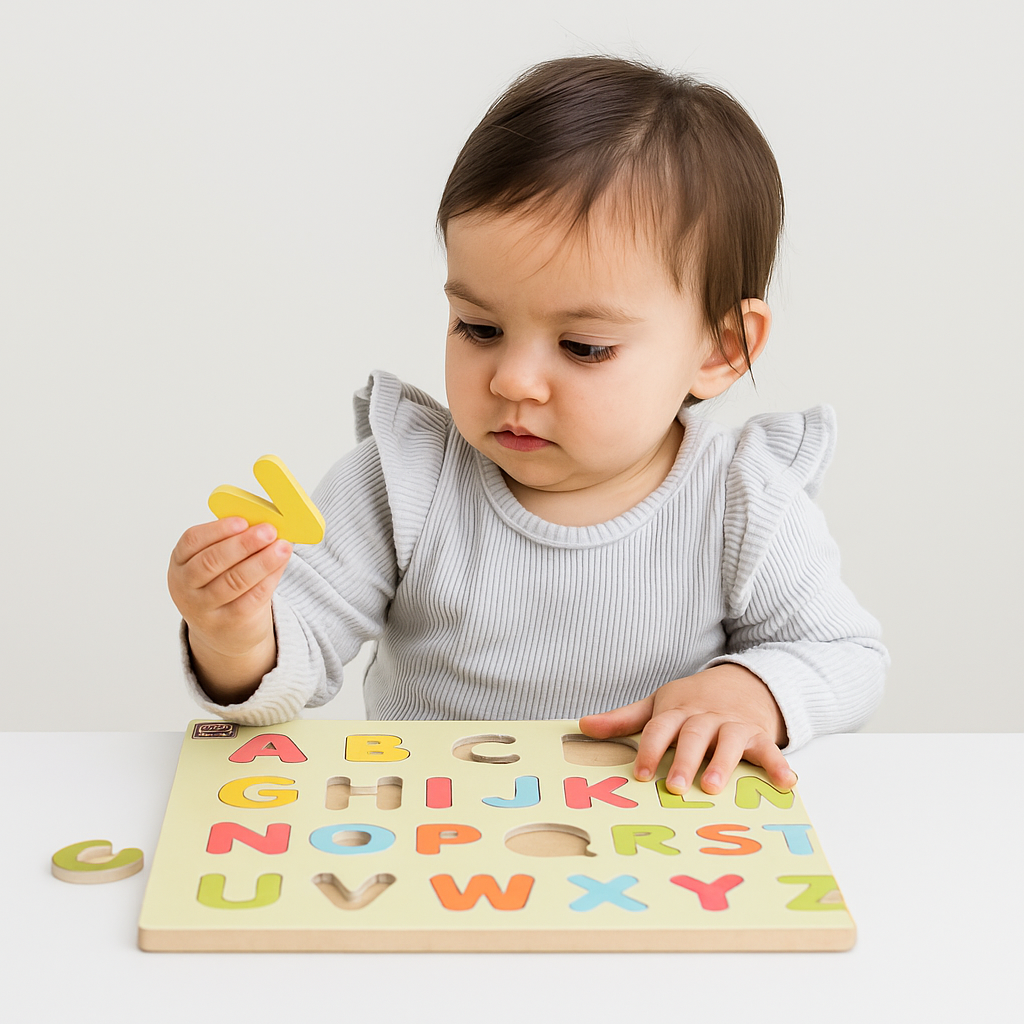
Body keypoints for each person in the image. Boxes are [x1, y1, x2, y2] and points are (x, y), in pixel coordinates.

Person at [168, 55, 887, 797]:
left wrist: (751, 690)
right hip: (429, 828)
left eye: (584, 347)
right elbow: (295, 661)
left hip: (648, 834)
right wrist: (235, 636)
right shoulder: (402, 480)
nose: (512, 380)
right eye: (479, 328)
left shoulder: (744, 501)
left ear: (720, 349)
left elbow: (847, 656)